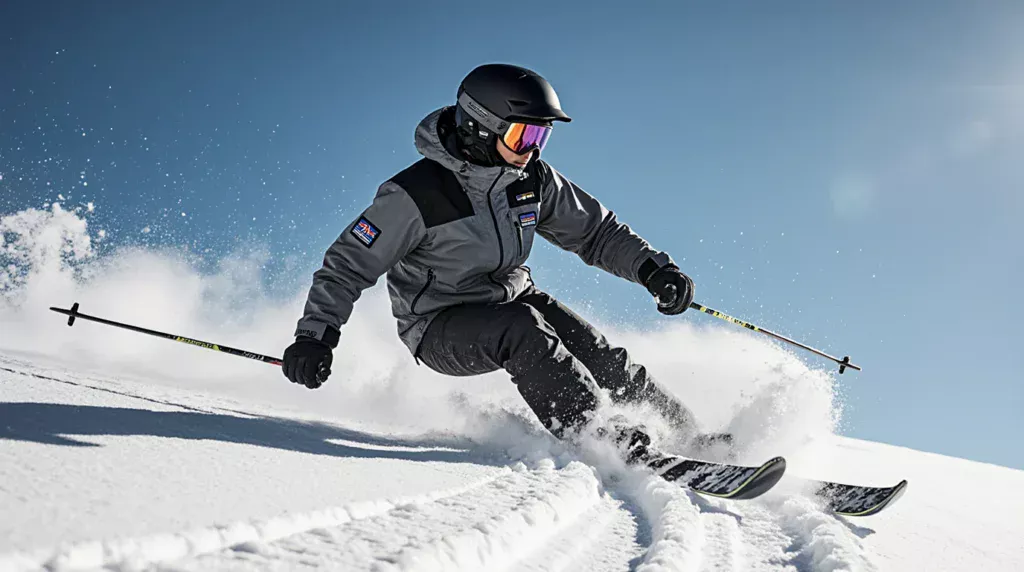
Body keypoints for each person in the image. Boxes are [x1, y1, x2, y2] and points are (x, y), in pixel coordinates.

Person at [282, 63, 704, 461]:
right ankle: (599, 437)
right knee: (523, 330)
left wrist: (652, 269)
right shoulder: (415, 195)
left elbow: (596, 232)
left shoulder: (530, 179)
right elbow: (346, 266)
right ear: (480, 129)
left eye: (541, 138)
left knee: (596, 352)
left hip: (512, 297)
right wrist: (314, 337)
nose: (531, 150)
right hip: (438, 324)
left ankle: (688, 437)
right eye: (523, 137)